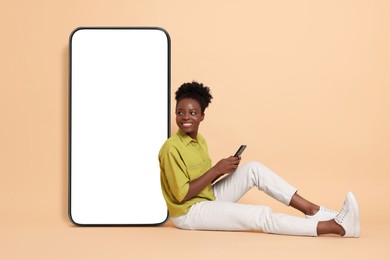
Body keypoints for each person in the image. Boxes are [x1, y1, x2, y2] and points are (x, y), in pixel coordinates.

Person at [159, 81, 360, 237]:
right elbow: (181, 196)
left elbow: (201, 181)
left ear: (202, 116)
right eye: (180, 112)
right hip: (188, 212)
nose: (186, 117)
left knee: (253, 169)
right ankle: (336, 227)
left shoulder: (199, 141)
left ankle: (312, 209)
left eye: (193, 112)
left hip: (207, 197)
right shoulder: (171, 148)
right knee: (258, 215)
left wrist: (224, 169)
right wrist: (217, 170)